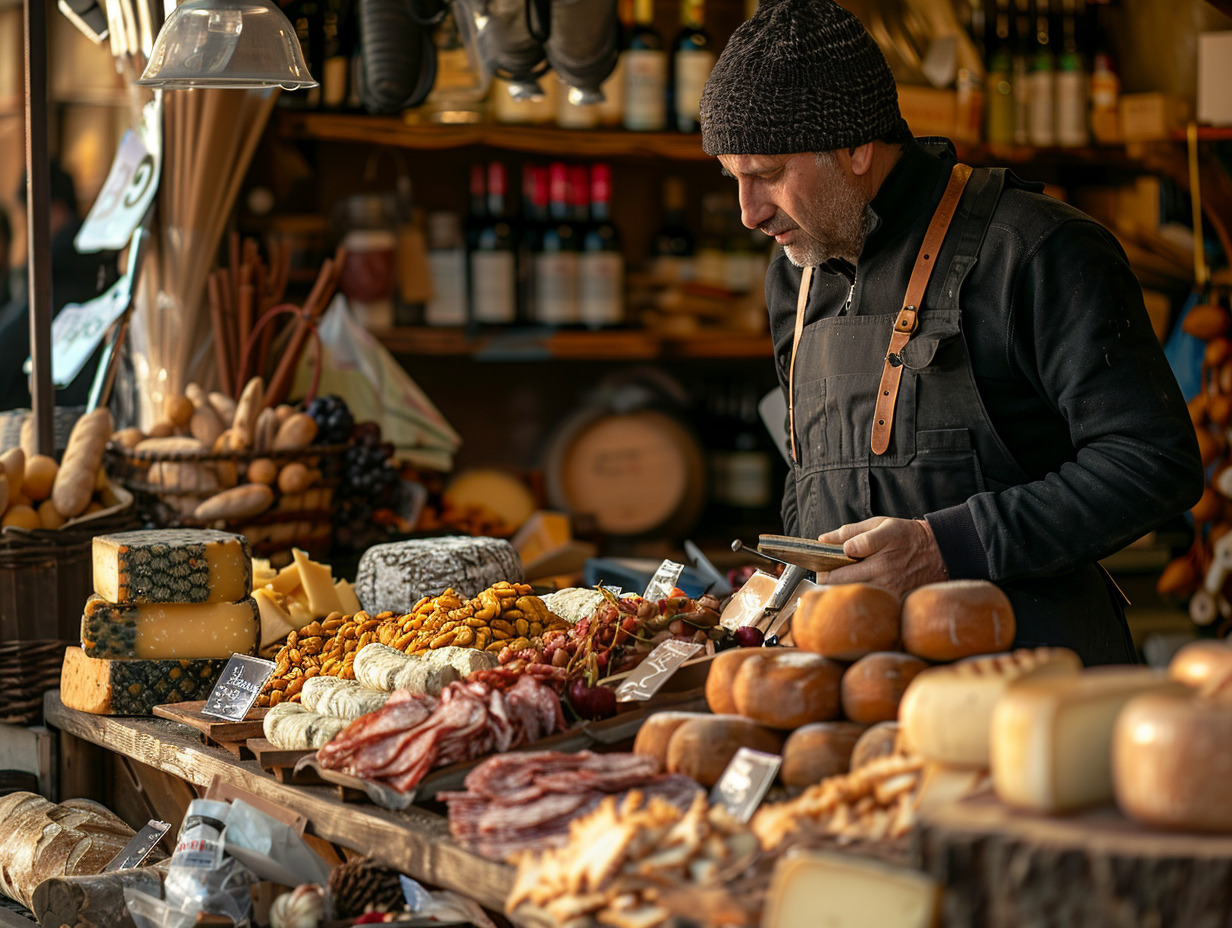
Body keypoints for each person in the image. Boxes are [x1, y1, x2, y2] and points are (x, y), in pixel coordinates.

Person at [698, 0, 1203, 665]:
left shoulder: (1036, 250)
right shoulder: (797, 276)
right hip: (860, 696)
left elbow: (1153, 464)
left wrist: (946, 548)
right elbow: (810, 469)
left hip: (1034, 693)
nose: (747, 212)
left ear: (856, 147)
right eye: (732, 178)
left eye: (765, 175)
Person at [0, 160, 118, 410]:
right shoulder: (102, 258)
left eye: (30, 218)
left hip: (61, 413)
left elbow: (11, 343)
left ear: (57, 209)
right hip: (91, 406)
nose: (28, 232)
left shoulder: (55, 268)